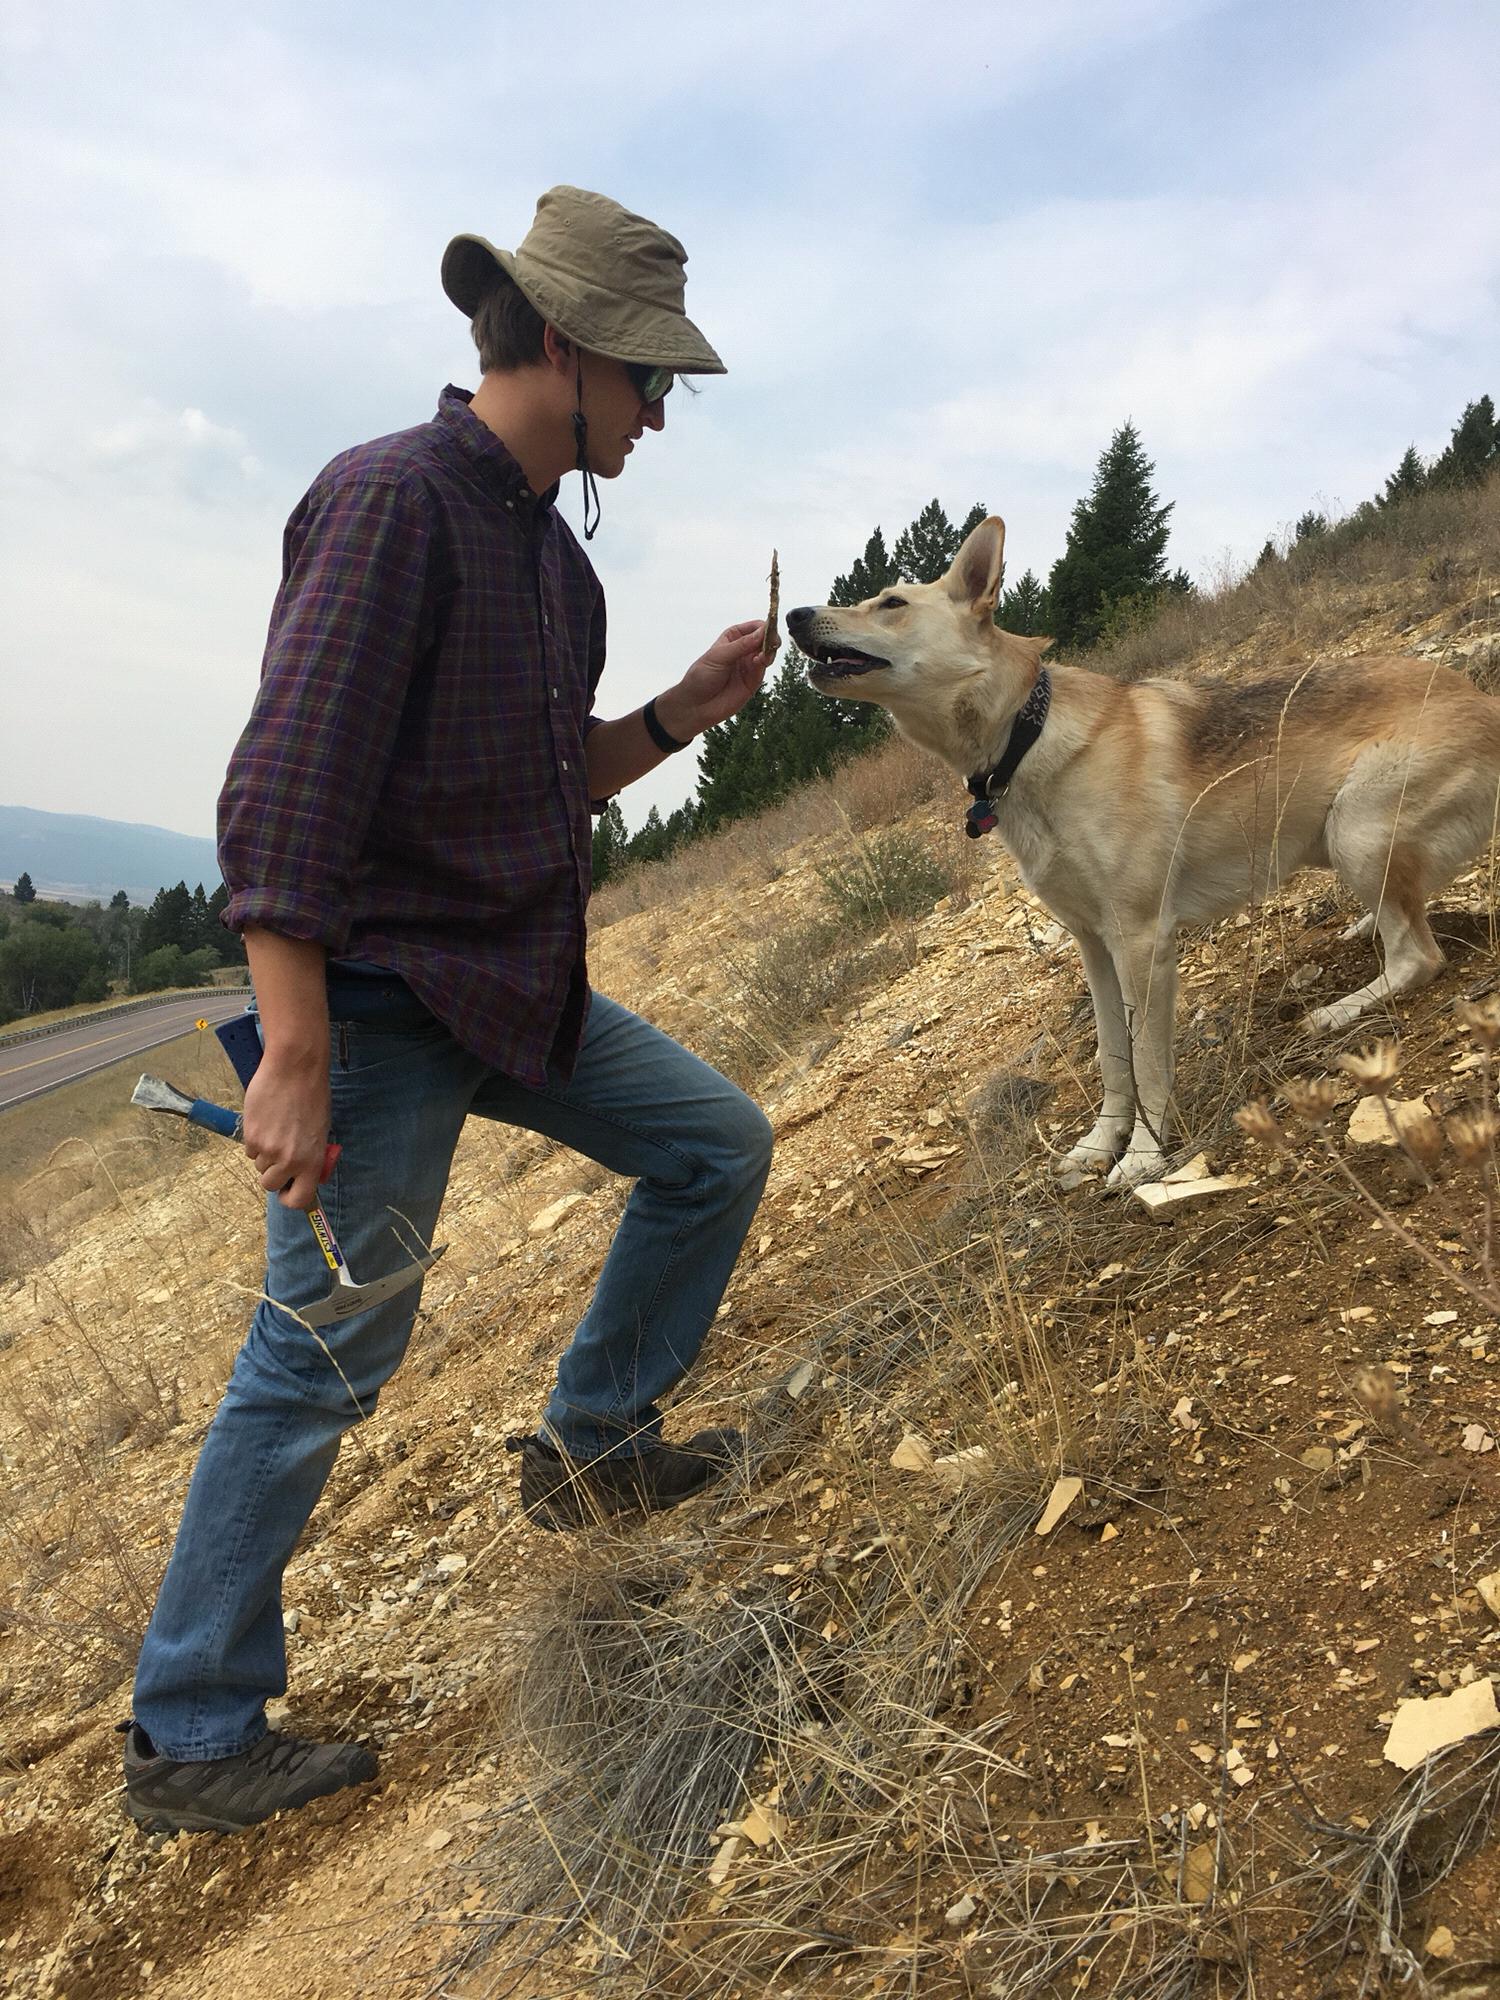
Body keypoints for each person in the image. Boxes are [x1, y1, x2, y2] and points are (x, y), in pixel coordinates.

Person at [120, 186, 775, 1836]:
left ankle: (590, 1443)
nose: (660, 411)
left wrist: (679, 717)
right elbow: (282, 790)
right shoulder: (391, 500)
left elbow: (545, 786)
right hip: (382, 1007)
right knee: (327, 1354)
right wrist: (297, 1051)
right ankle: (193, 1728)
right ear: (565, 347)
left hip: (507, 987)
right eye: (649, 379)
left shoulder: (558, 570)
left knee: (715, 1144)